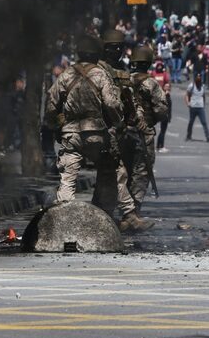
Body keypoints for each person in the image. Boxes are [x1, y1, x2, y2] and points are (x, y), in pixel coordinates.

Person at [45, 34, 151, 232]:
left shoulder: (66, 74)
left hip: (71, 134)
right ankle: (130, 215)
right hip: (97, 134)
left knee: (68, 177)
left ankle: (63, 218)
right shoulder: (100, 75)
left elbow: (51, 103)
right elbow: (112, 104)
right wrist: (118, 124)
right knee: (116, 171)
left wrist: (55, 125)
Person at [99, 29, 155, 232]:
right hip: (103, 128)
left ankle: (104, 216)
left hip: (120, 130)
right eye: (112, 47)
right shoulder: (98, 70)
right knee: (117, 173)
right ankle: (128, 215)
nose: (117, 51)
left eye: (119, 48)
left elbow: (130, 98)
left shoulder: (122, 71)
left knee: (112, 175)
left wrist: (138, 117)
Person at [127, 47, 170, 213]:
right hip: (143, 133)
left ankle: (124, 208)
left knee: (124, 170)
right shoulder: (151, 83)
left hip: (123, 132)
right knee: (142, 171)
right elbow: (161, 110)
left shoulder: (124, 81)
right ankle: (133, 211)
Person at [184, 73, 209, 142]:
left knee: (204, 122)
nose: (199, 80)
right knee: (191, 122)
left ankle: (208, 136)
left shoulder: (202, 86)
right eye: (198, 78)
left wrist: (204, 104)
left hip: (200, 107)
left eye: (200, 78)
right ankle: (188, 136)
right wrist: (188, 103)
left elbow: (204, 96)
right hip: (193, 107)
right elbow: (187, 95)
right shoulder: (191, 86)